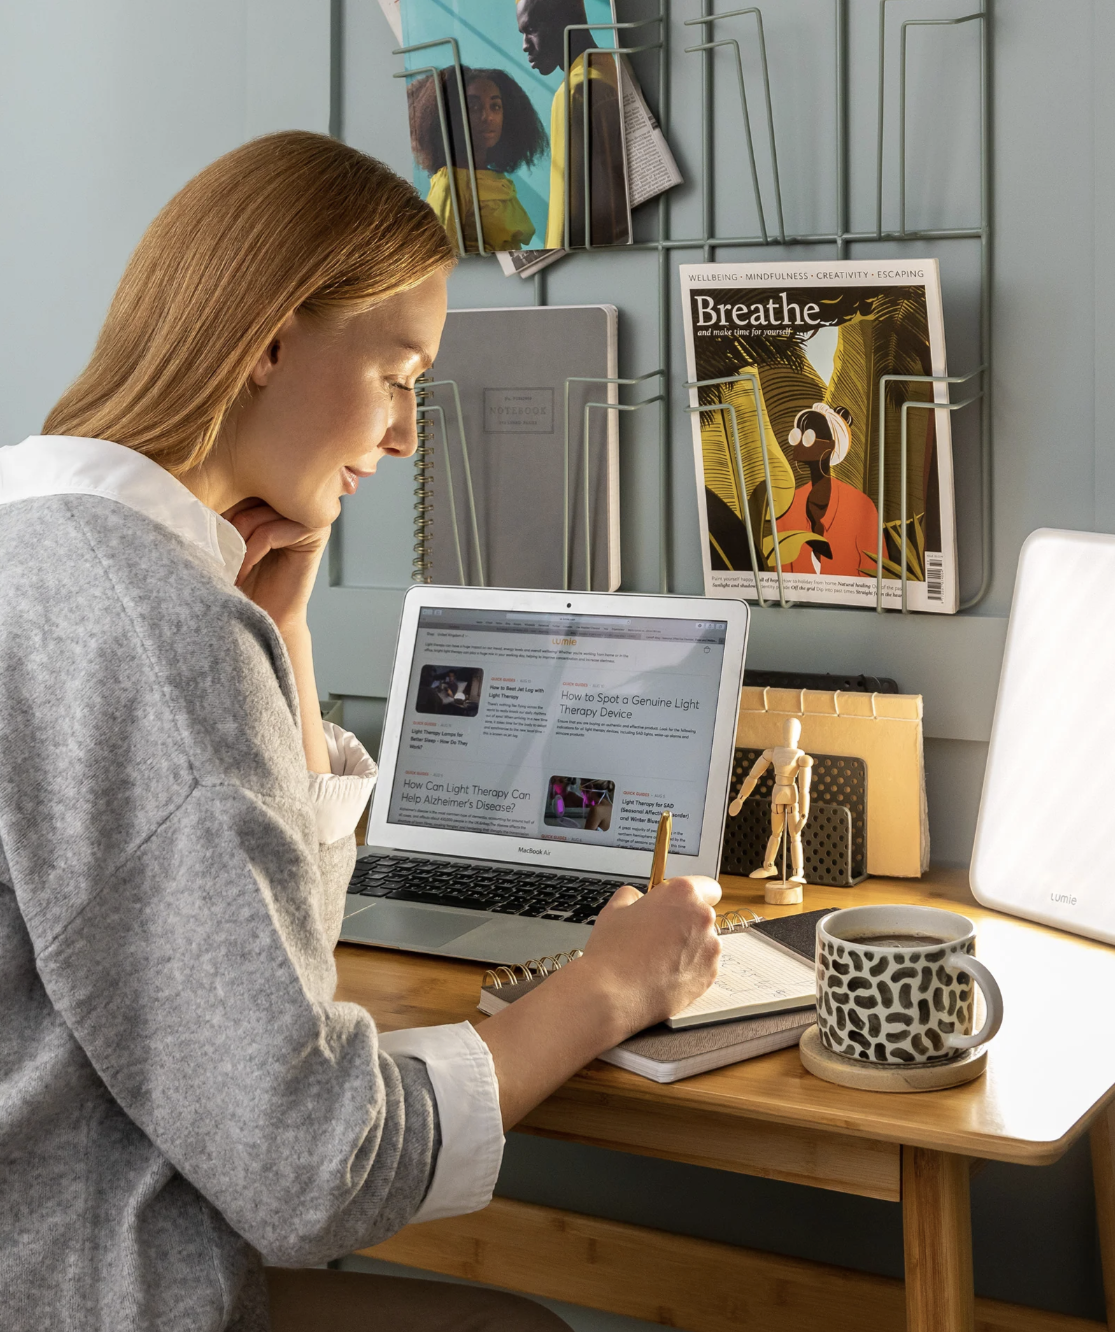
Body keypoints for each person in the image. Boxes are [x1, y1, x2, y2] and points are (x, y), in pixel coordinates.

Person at [0, 131, 721, 1331]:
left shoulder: (35, 534)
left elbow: (253, 965)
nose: (401, 438)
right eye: (398, 375)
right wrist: (604, 987)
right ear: (271, 339)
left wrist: (277, 629)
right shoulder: (145, 621)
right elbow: (313, 1165)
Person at [515, 0, 630, 248]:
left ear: (564, 17)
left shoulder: (576, 92)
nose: (524, 46)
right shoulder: (611, 70)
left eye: (532, 28)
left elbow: (565, 222)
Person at [407, 66, 547, 252]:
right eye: (473, 107)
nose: (487, 117)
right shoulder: (451, 183)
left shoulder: (499, 180)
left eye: (495, 106)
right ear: (453, 117)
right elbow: (438, 259)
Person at [775, 403, 880, 577]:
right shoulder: (789, 506)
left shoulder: (861, 506)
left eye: (808, 436)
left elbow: (874, 572)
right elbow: (783, 571)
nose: (799, 442)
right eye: (797, 434)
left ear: (830, 445)